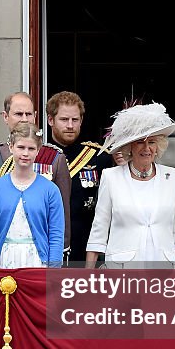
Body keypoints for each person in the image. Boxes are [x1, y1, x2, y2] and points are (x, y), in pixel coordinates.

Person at [0, 91, 72, 252]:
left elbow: (61, 218)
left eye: (28, 114)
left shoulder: (54, 158)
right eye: (18, 114)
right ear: (5, 116)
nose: (24, 119)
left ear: (35, 116)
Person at [85, 103, 175, 266]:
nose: (147, 148)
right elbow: (99, 230)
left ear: (158, 146)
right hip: (122, 270)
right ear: (129, 146)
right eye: (140, 142)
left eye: (152, 142)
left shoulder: (172, 176)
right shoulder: (111, 177)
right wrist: (88, 277)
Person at [0, 122, 65, 268]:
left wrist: (54, 272)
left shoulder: (50, 190)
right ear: (11, 147)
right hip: (3, 260)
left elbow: (56, 236)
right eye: (21, 147)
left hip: (37, 261)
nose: (25, 153)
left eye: (31, 148)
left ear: (38, 150)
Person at [46, 91, 111, 262]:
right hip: (48, 247)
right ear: (50, 120)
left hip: (87, 250)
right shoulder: (38, 156)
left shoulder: (99, 157)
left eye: (75, 120)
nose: (70, 125)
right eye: (64, 119)